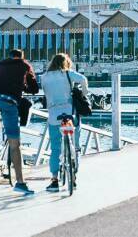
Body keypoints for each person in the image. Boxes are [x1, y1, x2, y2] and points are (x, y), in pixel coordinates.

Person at [0, 49, 39, 195]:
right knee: (15, 144)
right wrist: (23, 86)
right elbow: (35, 89)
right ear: (21, 57)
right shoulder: (25, 66)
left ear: (9, 57)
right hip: (8, 102)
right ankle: (20, 182)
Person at [40, 53, 88, 192]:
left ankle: (54, 180)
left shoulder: (44, 77)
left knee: (55, 148)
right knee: (75, 144)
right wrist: (84, 94)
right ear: (66, 63)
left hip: (54, 115)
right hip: (70, 112)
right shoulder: (67, 73)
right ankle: (74, 176)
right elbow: (83, 79)